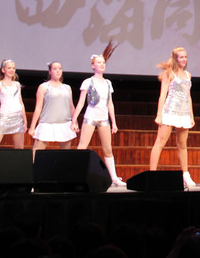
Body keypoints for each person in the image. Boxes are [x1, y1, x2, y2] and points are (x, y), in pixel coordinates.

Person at [72, 43, 126, 187]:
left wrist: (114, 122)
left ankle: (114, 178)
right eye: (98, 62)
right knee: (82, 145)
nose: (102, 64)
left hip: (103, 118)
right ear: (93, 66)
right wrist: (74, 120)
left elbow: (110, 103)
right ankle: (75, 175)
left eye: (103, 63)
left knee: (108, 148)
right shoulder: (88, 82)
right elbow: (81, 103)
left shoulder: (108, 83)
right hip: (90, 116)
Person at [149, 46, 196, 188]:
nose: (184, 59)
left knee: (182, 144)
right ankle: (152, 175)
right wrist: (159, 115)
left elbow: (188, 96)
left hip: (184, 113)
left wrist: (191, 116)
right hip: (170, 112)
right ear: (175, 58)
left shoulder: (188, 75)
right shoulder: (169, 74)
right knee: (160, 142)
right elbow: (163, 94)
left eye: (185, 57)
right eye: (181, 57)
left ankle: (185, 175)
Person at [27, 61, 77, 158]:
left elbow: (71, 106)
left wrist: (74, 122)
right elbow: (38, 108)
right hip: (47, 123)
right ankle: (32, 167)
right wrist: (32, 127)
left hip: (64, 124)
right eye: (55, 69)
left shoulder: (67, 88)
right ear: (50, 71)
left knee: (66, 155)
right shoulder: (44, 87)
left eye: (60, 69)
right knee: (36, 153)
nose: (58, 71)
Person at [0, 59, 27, 149]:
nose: (12, 70)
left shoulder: (17, 84)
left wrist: (25, 121)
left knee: (20, 149)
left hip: (17, 118)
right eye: (9, 68)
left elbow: (20, 103)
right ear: (3, 70)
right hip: (4, 117)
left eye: (13, 68)